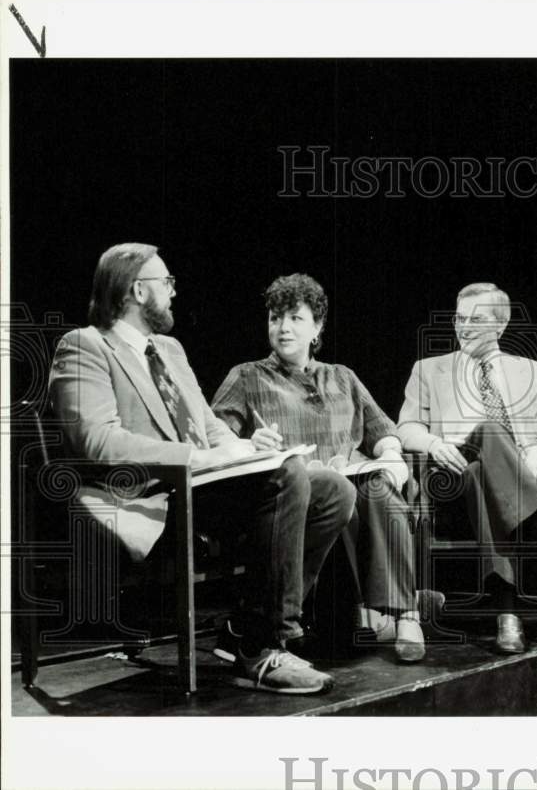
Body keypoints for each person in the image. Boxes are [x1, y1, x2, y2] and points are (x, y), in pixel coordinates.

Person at [48, 244, 355, 694]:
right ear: (137, 290)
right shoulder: (85, 346)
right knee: (289, 477)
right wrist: (195, 458)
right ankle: (264, 645)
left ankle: (249, 627)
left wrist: (246, 448)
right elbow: (97, 440)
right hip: (154, 495)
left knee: (331, 487)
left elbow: (208, 426)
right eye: (166, 282)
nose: (173, 292)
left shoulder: (169, 348)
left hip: (205, 489)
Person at [212, 273, 432, 663]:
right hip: (295, 502)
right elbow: (215, 439)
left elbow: (382, 431)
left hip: (353, 494)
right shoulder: (247, 377)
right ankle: (408, 606)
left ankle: (406, 616)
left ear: (317, 327)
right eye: (275, 318)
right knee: (352, 499)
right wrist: (248, 443)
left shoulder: (342, 376)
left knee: (381, 488)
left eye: (295, 318)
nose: (282, 328)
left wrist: (391, 454)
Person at [397, 282, 537, 653]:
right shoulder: (429, 370)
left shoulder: (530, 372)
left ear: (500, 326)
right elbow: (405, 428)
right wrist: (435, 444)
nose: (463, 327)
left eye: (476, 319)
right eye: (459, 318)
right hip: (451, 478)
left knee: (483, 477)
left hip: (517, 481)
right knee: (486, 433)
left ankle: (508, 615)